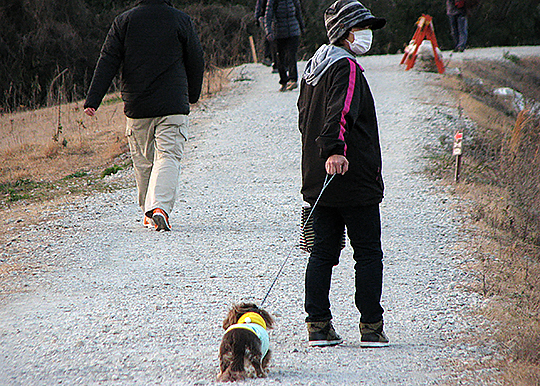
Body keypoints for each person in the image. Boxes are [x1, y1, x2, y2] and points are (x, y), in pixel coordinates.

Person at [297, 0, 388, 347]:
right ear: (348, 33)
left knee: (322, 252)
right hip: (351, 175)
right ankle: (371, 327)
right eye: (362, 28)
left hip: (318, 178)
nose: (366, 35)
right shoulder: (346, 66)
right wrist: (335, 150)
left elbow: (304, 120)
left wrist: (319, 159)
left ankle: (318, 326)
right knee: (367, 252)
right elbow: (342, 110)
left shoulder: (313, 66)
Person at [84, 0, 204, 232]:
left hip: (138, 105)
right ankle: (158, 208)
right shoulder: (180, 19)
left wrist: (93, 100)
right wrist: (193, 94)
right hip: (173, 105)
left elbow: (108, 59)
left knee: (143, 162)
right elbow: (196, 59)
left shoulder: (124, 21)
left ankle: (149, 213)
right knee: (168, 156)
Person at [265, 0, 304, 92]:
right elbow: (268, 16)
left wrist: (302, 28)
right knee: (280, 57)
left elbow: (298, 13)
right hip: (279, 32)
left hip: (293, 31)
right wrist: (268, 31)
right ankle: (284, 81)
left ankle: (293, 79)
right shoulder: (272, 1)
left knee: (292, 55)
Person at [255, 0, 278, 72]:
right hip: (267, 17)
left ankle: (269, 57)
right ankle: (270, 57)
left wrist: (257, 17)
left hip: (270, 17)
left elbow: (258, 5)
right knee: (271, 38)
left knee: (270, 38)